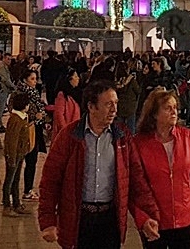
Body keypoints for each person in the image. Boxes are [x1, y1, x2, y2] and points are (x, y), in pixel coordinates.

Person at [38, 81, 157, 249]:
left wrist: (148, 216)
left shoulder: (122, 137)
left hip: (110, 219)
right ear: (91, 107)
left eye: (116, 103)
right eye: (108, 104)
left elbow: (137, 181)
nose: (114, 110)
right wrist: (48, 221)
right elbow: (50, 181)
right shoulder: (70, 136)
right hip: (79, 219)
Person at [129, 88, 190, 248]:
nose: (174, 112)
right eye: (168, 108)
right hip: (154, 221)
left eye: (175, 107)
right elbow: (135, 188)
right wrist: (142, 219)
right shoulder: (138, 144)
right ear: (154, 114)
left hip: (184, 219)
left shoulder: (189, 138)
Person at [2, 92, 33, 217]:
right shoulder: (16, 119)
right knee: (9, 180)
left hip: (19, 154)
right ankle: (6, 205)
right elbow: (11, 140)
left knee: (16, 180)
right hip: (14, 155)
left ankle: (16, 204)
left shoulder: (22, 117)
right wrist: (11, 157)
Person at [17, 70, 47, 200]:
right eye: (32, 79)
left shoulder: (34, 93)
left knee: (32, 161)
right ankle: (25, 191)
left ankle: (28, 189)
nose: (35, 82)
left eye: (36, 79)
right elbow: (19, 114)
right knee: (27, 161)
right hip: (27, 131)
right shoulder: (22, 95)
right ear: (25, 80)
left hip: (35, 129)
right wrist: (35, 117)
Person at [52, 68, 81, 133]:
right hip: (66, 130)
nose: (78, 78)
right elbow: (59, 114)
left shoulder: (76, 93)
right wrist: (65, 130)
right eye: (75, 76)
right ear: (69, 79)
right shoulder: (62, 94)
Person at [115, 63, 141, 133]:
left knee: (119, 128)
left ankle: (119, 142)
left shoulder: (116, 81)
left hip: (120, 106)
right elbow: (138, 91)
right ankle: (130, 142)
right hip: (130, 106)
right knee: (131, 128)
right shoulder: (131, 80)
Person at [0, 53, 17, 133]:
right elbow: (6, 80)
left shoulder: (1, 66)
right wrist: (15, 88)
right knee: (1, 108)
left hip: (1, 89)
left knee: (1, 107)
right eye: (8, 59)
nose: (9, 61)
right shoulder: (2, 67)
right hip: (2, 89)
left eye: (10, 59)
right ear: (3, 58)